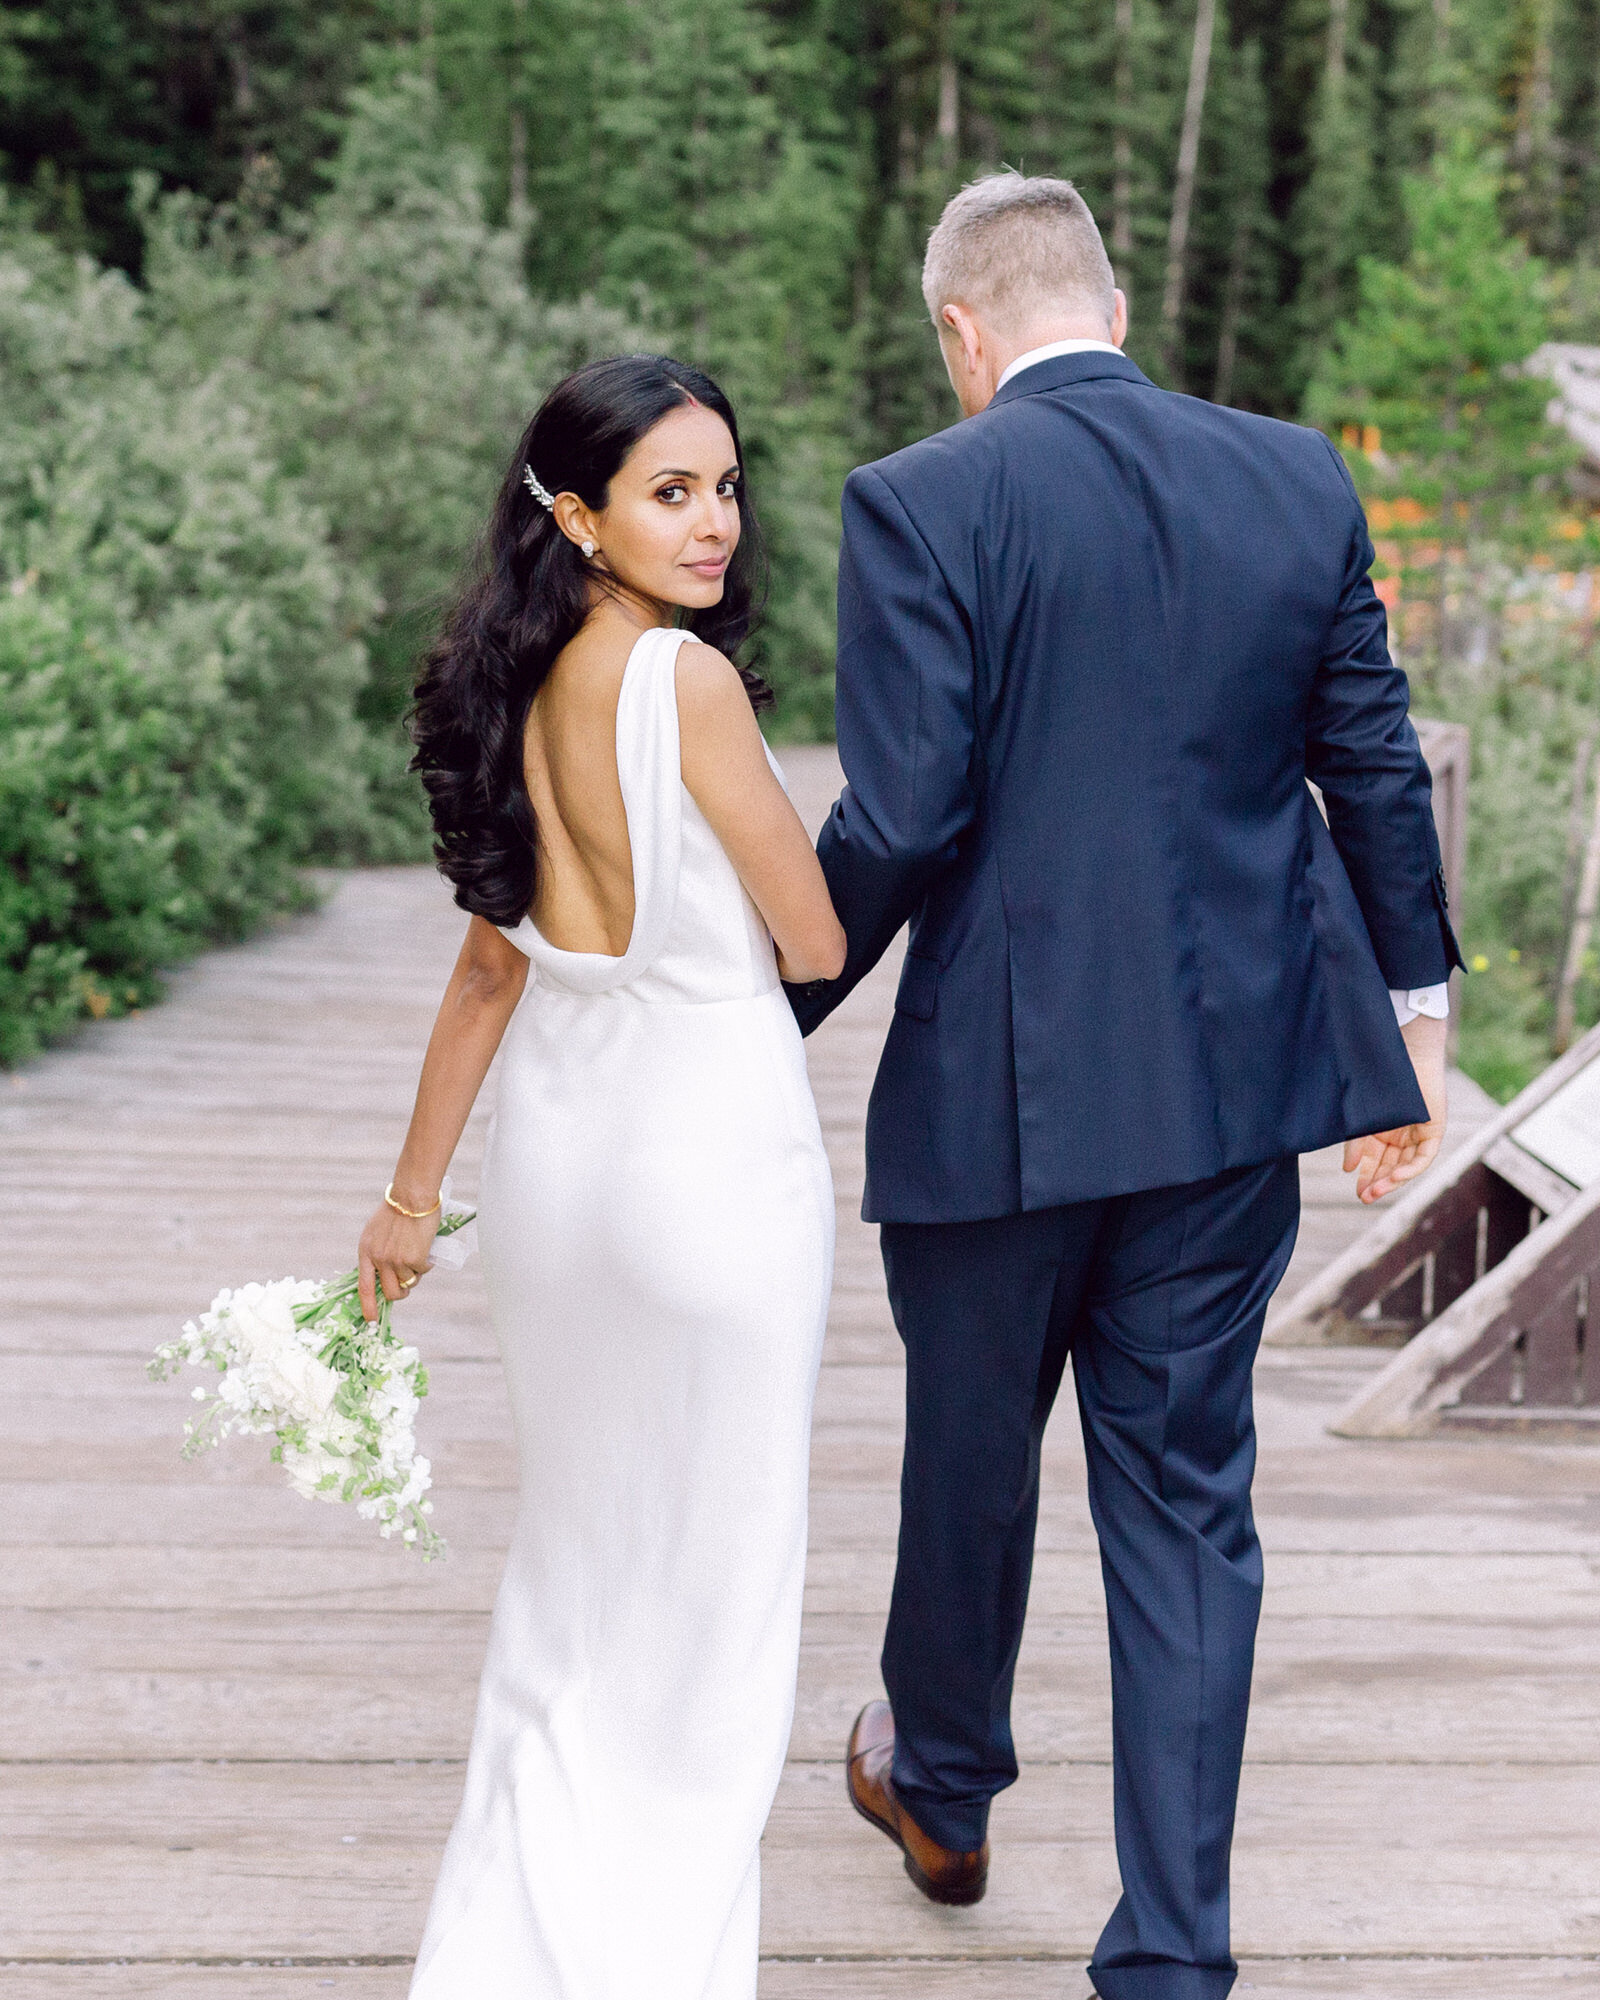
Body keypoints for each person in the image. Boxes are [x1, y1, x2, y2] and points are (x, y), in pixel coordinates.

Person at [786, 175, 1463, 2000]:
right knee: (1184, 1503)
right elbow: (1371, 760)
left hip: (999, 1102)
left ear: (963, 330)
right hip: (1230, 1089)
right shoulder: (1294, 477)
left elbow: (903, 816)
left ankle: (940, 1790)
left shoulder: (921, 500)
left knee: (969, 1459)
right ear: (1112, 299)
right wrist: (1417, 1020)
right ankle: (1171, 1952)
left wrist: (761, 1012)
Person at [356, 353, 845, 1999]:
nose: (715, 523)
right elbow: (815, 932)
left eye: (725, 485)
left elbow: (490, 975)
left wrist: (409, 1202)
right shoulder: (685, 686)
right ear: (578, 514)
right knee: (712, 1600)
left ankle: (505, 1953)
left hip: (558, 1178)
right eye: (670, 491)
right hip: (708, 1167)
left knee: (573, 1577)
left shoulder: (516, 683)